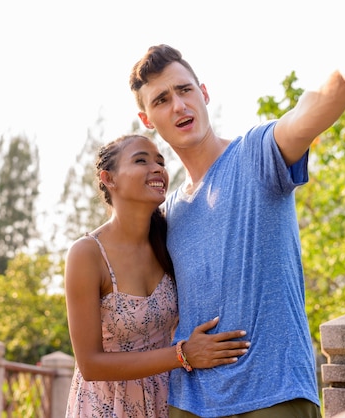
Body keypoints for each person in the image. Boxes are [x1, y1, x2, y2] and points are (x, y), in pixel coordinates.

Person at [128, 12, 345, 418]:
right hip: (189, 404)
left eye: (184, 90)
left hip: (272, 396)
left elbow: (303, 118)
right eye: (161, 99)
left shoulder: (255, 155)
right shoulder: (168, 212)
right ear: (148, 120)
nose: (179, 105)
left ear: (204, 93)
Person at [64, 134, 250, 417]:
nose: (158, 169)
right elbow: (90, 365)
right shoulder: (87, 254)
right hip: (106, 406)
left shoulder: (171, 238)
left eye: (161, 162)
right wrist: (183, 354)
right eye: (142, 160)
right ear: (108, 178)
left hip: (170, 400)